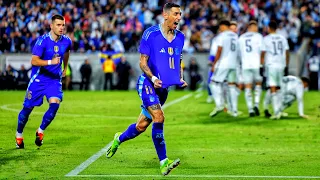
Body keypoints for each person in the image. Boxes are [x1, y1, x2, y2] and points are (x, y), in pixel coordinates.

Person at [106, 3, 187, 176]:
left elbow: (177, 60)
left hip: (163, 89)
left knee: (141, 126)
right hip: (148, 84)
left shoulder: (180, 37)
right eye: (175, 14)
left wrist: (179, 78)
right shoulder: (151, 34)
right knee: (159, 117)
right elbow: (142, 62)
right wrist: (154, 78)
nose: (179, 18)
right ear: (165, 15)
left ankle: (118, 139)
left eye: (180, 14)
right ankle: (164, 162)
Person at [15, 14, 72, 149]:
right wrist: (50, 62)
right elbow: (34, 61)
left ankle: (40, 131)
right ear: (51, 26)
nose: (61, 27)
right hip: (39, 80)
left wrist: (65, 67)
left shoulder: (67, 41)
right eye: (58, 25)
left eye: (63, 25)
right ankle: (19, 134)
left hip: (54, 80)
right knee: (27, 108)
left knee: (55, 105)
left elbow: (67, 52)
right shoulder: (42, 41)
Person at [209, 19, 239, 117]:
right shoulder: (235, 36)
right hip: (233, 64)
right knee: (232, 86)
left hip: (223, 63)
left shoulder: (222, 36)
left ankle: (219, 104)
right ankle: (234, 110)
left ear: (222, 26)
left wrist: (214, 64)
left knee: (213, 83)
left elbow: (219, 50)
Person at [261, 21, 290, 119]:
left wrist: (261, 65)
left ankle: (276, 112)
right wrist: (286, 64)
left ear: (268, 28)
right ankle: (278, 110)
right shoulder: (283, 38)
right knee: (279, 88)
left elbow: (263, 53)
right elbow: (287, 52)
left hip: (271, 64)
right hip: (281, 64)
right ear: (277, 28)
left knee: (272, 87)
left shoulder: (265, 39)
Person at [238, 20, 265, 117]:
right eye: (255, 26)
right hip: (256, 64)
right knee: (258, 84)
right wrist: (262, 64)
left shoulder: (241, 38)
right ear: (251, 27)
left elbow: (239, 52)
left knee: (248, 87)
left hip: (245, 65)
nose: (256, 28)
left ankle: (250, 109)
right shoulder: (258, 36)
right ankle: (256, 104)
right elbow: (263, 51)